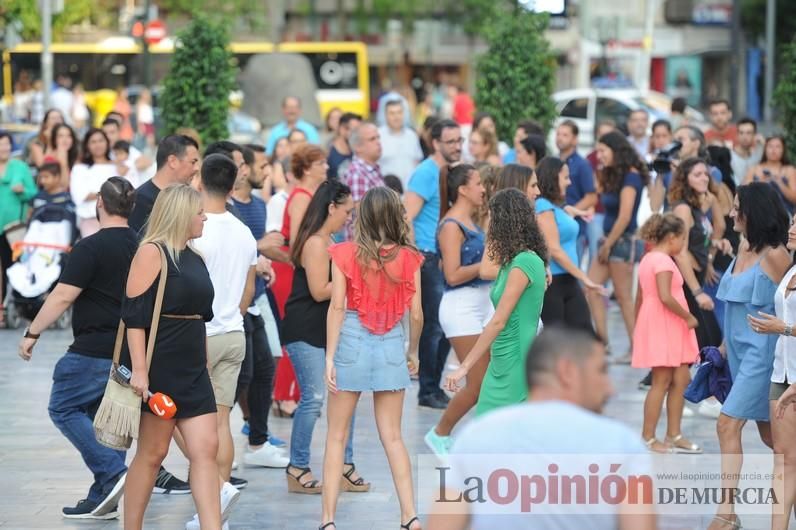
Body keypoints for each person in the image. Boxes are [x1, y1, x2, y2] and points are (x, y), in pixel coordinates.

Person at [428, 327, 656, 530]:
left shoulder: (474, 438)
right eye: (601, 371)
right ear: (567, 371)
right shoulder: (622, 445)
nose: (610, 389)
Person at [17, 177, 136, 520]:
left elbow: (63, 295)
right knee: (107, 425)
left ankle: (112, 473)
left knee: (64, 408)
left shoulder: (90, 247)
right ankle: (103, 495)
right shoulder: (143, 245)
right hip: (129, 348)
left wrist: (32, 332)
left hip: (93, 348)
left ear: (100, 202)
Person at [320, 187, 423, 530]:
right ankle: (409, 514)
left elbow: (337, 306)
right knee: (392, 436)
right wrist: (413, 351)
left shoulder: (344, 253)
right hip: (392, 340)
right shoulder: (410, 258)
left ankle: (328, 520)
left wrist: (330, 357)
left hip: (350, 338)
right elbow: (418, 314)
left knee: (336, 434)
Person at [121, 184, 221, 530]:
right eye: (199, 212)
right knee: (152, 454)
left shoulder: (196, 257)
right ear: (181, 214)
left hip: (193, 366)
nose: (204, 217)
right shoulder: (151, 252)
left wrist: (205, 363)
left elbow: (201, 317)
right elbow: (134, 317)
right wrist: (140, 371)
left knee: (207, 450)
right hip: (160, 365)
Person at [181, 154, 258, 529]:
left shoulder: (197, 228)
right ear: (232, 187)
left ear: (199, 181)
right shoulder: (243, 231)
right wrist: (236, 314)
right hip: (234, 332)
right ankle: (218, 506)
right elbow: (249, 284)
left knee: (190, 424)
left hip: (202, 335)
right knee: (222, 422)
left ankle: (213, 501)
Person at [709, 182, 791, 530]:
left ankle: (726, 514)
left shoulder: (775, 254)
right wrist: (723, 348)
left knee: (727, 423)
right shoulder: (743, 246)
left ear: (752, 211)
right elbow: (733, 306)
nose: (731, 213)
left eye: (737, 206)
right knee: (775, 440)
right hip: (737, 353)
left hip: (763, 356)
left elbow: (790, 306)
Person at [281, 180, 362, 494]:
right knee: (313, 400)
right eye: (347, 211)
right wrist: (355, 283)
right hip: (305, 330)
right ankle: (298, 466)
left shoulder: (332, 239)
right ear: (331, 207)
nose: (349, 217)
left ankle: (344, 465)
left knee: (346, 396)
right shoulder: (316, 243)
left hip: (327, 331)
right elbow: (318, 291)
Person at [446, 188, 547, 415]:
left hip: (517, 358)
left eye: (491, 217)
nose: (487, 223)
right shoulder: (512, 262)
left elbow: (498, 321)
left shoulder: (525, 262)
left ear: (503, 221)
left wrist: (464, 367)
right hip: (501, 357)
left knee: (499, 434)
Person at [424, 165, 491, 456]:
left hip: (480, 302)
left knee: (488, 381)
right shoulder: (452, 225)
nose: (483, 188)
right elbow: (450, 275)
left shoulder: (471, 221)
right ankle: (440, 433)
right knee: (478, 384)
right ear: (462, 189)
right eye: (478, 183)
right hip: (461, 306)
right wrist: (488, 267)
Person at [229, 148, 285, 467]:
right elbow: (247, 246)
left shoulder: (259, 205)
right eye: (262, 166)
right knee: (242, 372)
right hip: (236, 301)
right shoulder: (227, 209)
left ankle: (257, 437)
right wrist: (261, 248)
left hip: (258, 294)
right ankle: (240, 435)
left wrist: (269, 259)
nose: (267, 172)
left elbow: (260, 247)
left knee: (266, 362)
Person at [633, 213, 701, 454]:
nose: (684, 244)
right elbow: (664, 295)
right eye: (683, 238)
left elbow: (640, 297)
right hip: (666, 323)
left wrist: (636, 327)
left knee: (680, 379)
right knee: (661, 382)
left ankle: (674, 434)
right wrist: (688, 316)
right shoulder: (662, 261)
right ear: (672, 237)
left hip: (664, 324)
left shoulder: (649, 258)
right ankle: (648, 437)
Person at [405, 118, 462, 409]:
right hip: (428, 256)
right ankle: (427, 389)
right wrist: (417, 256)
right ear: (436, 142)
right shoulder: (426, 173)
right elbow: (406, 215)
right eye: (451, 141)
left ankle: (433, 386)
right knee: (435, 326)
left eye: (459, 141)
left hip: (445, 256)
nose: (457, 147)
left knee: (447, 324)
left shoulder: (449, 173)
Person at [747, 216, 796, 530]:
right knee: (781, 456)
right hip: (782, 372)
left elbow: (787, 324)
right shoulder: (791, 268)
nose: (791, 228)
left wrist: (784, 328)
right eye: (792, 222)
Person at [585, 131, 649, 362]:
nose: (599, 155)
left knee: (623, 297)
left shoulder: (631, 177)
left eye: (603, 150)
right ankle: (603, 342)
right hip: (609, 240)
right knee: (592, 288)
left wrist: (607, 244)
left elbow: (624, 217)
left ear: (616, 150)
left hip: (620, 242)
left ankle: (636, 348)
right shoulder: (614, 175)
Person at [535, 157, 602, 329]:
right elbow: (554, 249)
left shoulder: (555, 207)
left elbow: (563, 214)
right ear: (552, 178)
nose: (569, 182)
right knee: (559, 343)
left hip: (568, 281)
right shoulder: (542, 205)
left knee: (583, 336)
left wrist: (576, 212)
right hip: (555, 283)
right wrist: (584, 277)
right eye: (565, 177)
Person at [667, 158, 724, 349]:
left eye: (706, 174)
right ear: (685, 179)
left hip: (696, 276)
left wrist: (710, 256)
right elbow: (680, 254)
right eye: (697, 175)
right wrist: (698, 292)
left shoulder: (699, 206)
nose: (704, 178)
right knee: (708, 340)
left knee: (708, 339)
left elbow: (718, 227)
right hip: (684, 281)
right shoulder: (683, 209)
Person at [128, 134, 201, 234]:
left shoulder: (188, 198)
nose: (197, 168)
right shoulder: (140, 200)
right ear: (173, 161)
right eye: (193, 162)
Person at [0, 130, 37, 308]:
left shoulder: (20, 167)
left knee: (12, 266)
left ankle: (13, 303)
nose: (3, 147)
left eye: (6, 143)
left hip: (13, 228)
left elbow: (33, 193)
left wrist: (22, 191)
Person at [555, 120, 598, 261]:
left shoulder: (582, 165)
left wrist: (568, 212)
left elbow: (591, 197)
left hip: (574, 228)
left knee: (573, 272)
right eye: (558, 134)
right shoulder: (552, 162)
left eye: (565, 135)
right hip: (553, 226)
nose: (560, 138)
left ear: (575, 139)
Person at [69, 129, 117, 237]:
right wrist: (110, 193)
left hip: (117, 220)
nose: (98, 145)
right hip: (89, 219)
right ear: (87, 146)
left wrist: (97, 194)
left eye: (101, 140)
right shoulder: (79, 168)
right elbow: (80, 196)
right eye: (93, 142)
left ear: (107, 142)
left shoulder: (118, 167)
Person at [341, 122, 384, 240]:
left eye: (378, 137)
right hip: (366, 249)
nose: (378, 142)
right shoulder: (357, 173)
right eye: (372, 139)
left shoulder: (372, 169)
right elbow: (361, 219)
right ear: (357, 147)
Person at [742, 135, 796, 215]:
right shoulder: (754, 169)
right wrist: (760, 182)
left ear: (783, 150)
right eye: (770, 146)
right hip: (758, 214)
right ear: (765, 149)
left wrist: (780, 183)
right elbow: (743, 192)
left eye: (778, 146)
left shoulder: (789, 170)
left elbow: (794, 198)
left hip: (784, 215)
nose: (773, 150)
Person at [378, 100, 423, 187]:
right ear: (385, 115)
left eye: (399, 112)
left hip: (410, 192)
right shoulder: (378, 136)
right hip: (387, 194)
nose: (396, 116)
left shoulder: (412, 135)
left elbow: (417, 162)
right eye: (392, 113)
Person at [327, 112, 361, 180]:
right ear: (342, 129)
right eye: (355, 130)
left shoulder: (358, 152)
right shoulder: (328, 153)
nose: (359, 134)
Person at [730, 117, 763, 187]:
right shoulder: (729, 156)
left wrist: (763, 143)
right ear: (737, 135)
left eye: (749, 133)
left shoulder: (758, 155)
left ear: (754, 135)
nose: (744, 137)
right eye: (741, 133)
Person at [45, 123, 79, 190]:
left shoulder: (77, 156)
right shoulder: (49, 159)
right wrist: (63, 163)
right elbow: (64, 187)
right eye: (60, 136)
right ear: (54, 140)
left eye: (69, 136)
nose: (65, 139)